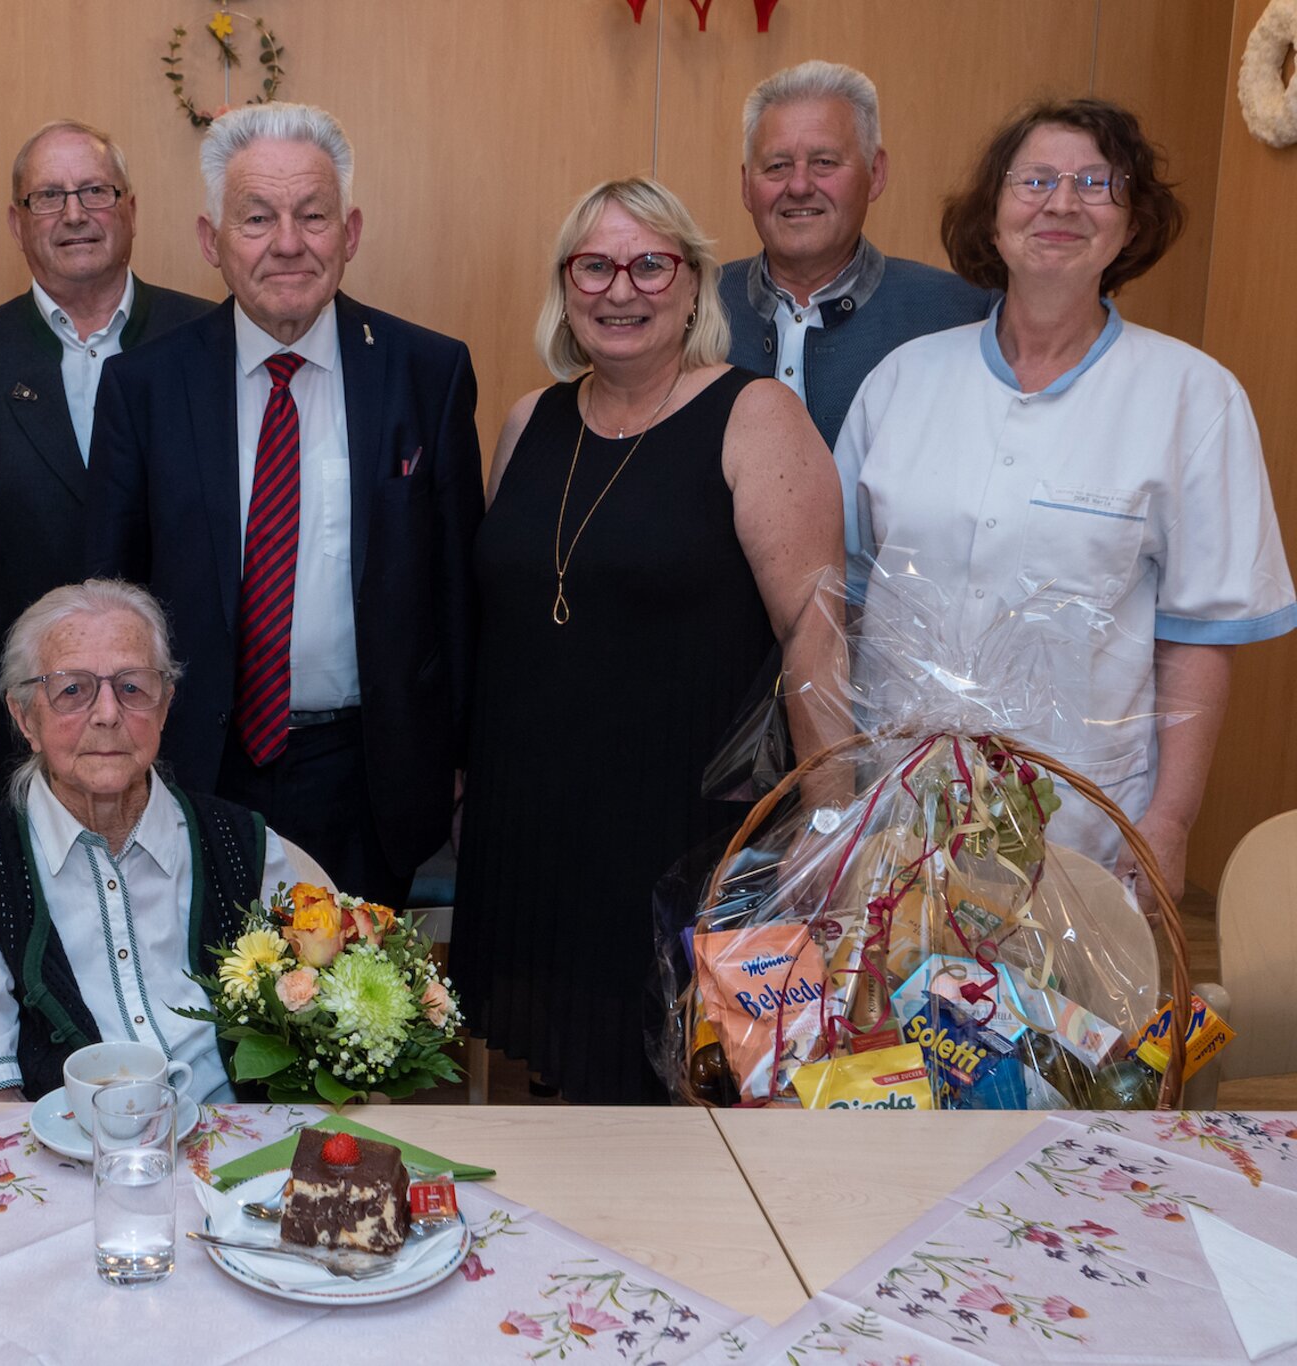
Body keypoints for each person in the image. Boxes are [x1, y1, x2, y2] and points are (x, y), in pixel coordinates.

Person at [837, 98, 1296, 895]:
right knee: (887, 1015)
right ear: (992, 217)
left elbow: (1199, 637)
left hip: (1082, 828)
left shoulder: (1194, 397)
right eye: (1036, 180)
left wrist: (1171, 821)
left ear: (1132, 224)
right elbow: (836, 601)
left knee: (1063, 1021)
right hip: (895, 809)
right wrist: (830, 793)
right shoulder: (904, 381)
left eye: (1095, 183)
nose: (1061, 202)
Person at [453, 179, 845, 1104]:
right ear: (564, 285)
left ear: (694, 286)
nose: (619, 290)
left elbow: (815, 634)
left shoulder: (755, 417)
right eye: (594, 265)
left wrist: (829, 824)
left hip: (678, 832)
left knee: (672, 1090)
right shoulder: (527, 421)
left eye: (649, 264)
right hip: (537, 824)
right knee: (557, 1074)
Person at [86, 102, 482, 909]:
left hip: (368, 779)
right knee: (201, 1012)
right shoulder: (144, 388)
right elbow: (107, 591)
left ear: (351, 231)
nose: (289, 244)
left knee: (354, 1018)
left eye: (313, 215)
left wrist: (471, 758)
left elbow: (458, 595)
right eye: (258, 218)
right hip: (195, 765)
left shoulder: (427, 373)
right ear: (212, 241)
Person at [0, 121, 211, 822]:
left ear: (130, 209)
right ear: (17, 224)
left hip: (187, 731)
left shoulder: (206, 342)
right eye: (48, 197)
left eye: (95, 191)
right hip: (20, 735)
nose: (74, 214)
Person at [0, 579, 305, 1103]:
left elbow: (317, 1047)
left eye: (132, 687)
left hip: (241, 1159)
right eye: (72, 689)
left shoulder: (246, 848)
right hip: (61, 1165)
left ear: (165, 706)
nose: (107, 713)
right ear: (25, 716)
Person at [721, 60, 992, 448]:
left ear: (876, 173)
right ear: (747, 186)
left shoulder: (961, 316)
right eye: (777, 166)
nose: (799, 185)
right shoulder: (693, 308)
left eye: (824, 162)